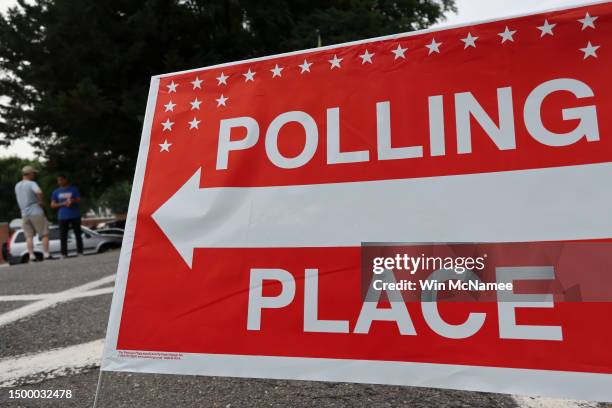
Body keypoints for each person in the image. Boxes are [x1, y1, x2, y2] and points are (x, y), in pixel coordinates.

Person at [14, 165, 51, 261]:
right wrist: (41, 202)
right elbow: (39, 192)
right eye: (33, 173)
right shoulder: (32, 183)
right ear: (30, 174)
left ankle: (31, 255)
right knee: (44, 233)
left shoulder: (17, 185)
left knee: (29, 236)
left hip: (24, 214)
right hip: (36, 211)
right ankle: (46, 254)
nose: (34, 175)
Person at [51, 174, 83, 257]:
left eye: (61, 180)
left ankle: (80, 252)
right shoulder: (56, 192)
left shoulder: (73, 189)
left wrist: (73, 200)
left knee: (78, 234)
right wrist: (63, 203)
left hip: (75, 215)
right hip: (63, 216)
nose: (60, 182)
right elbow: (53, 205)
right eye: (58, 180)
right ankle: (64, 254)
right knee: (63, 235)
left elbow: (79, 200)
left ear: (65, 180)